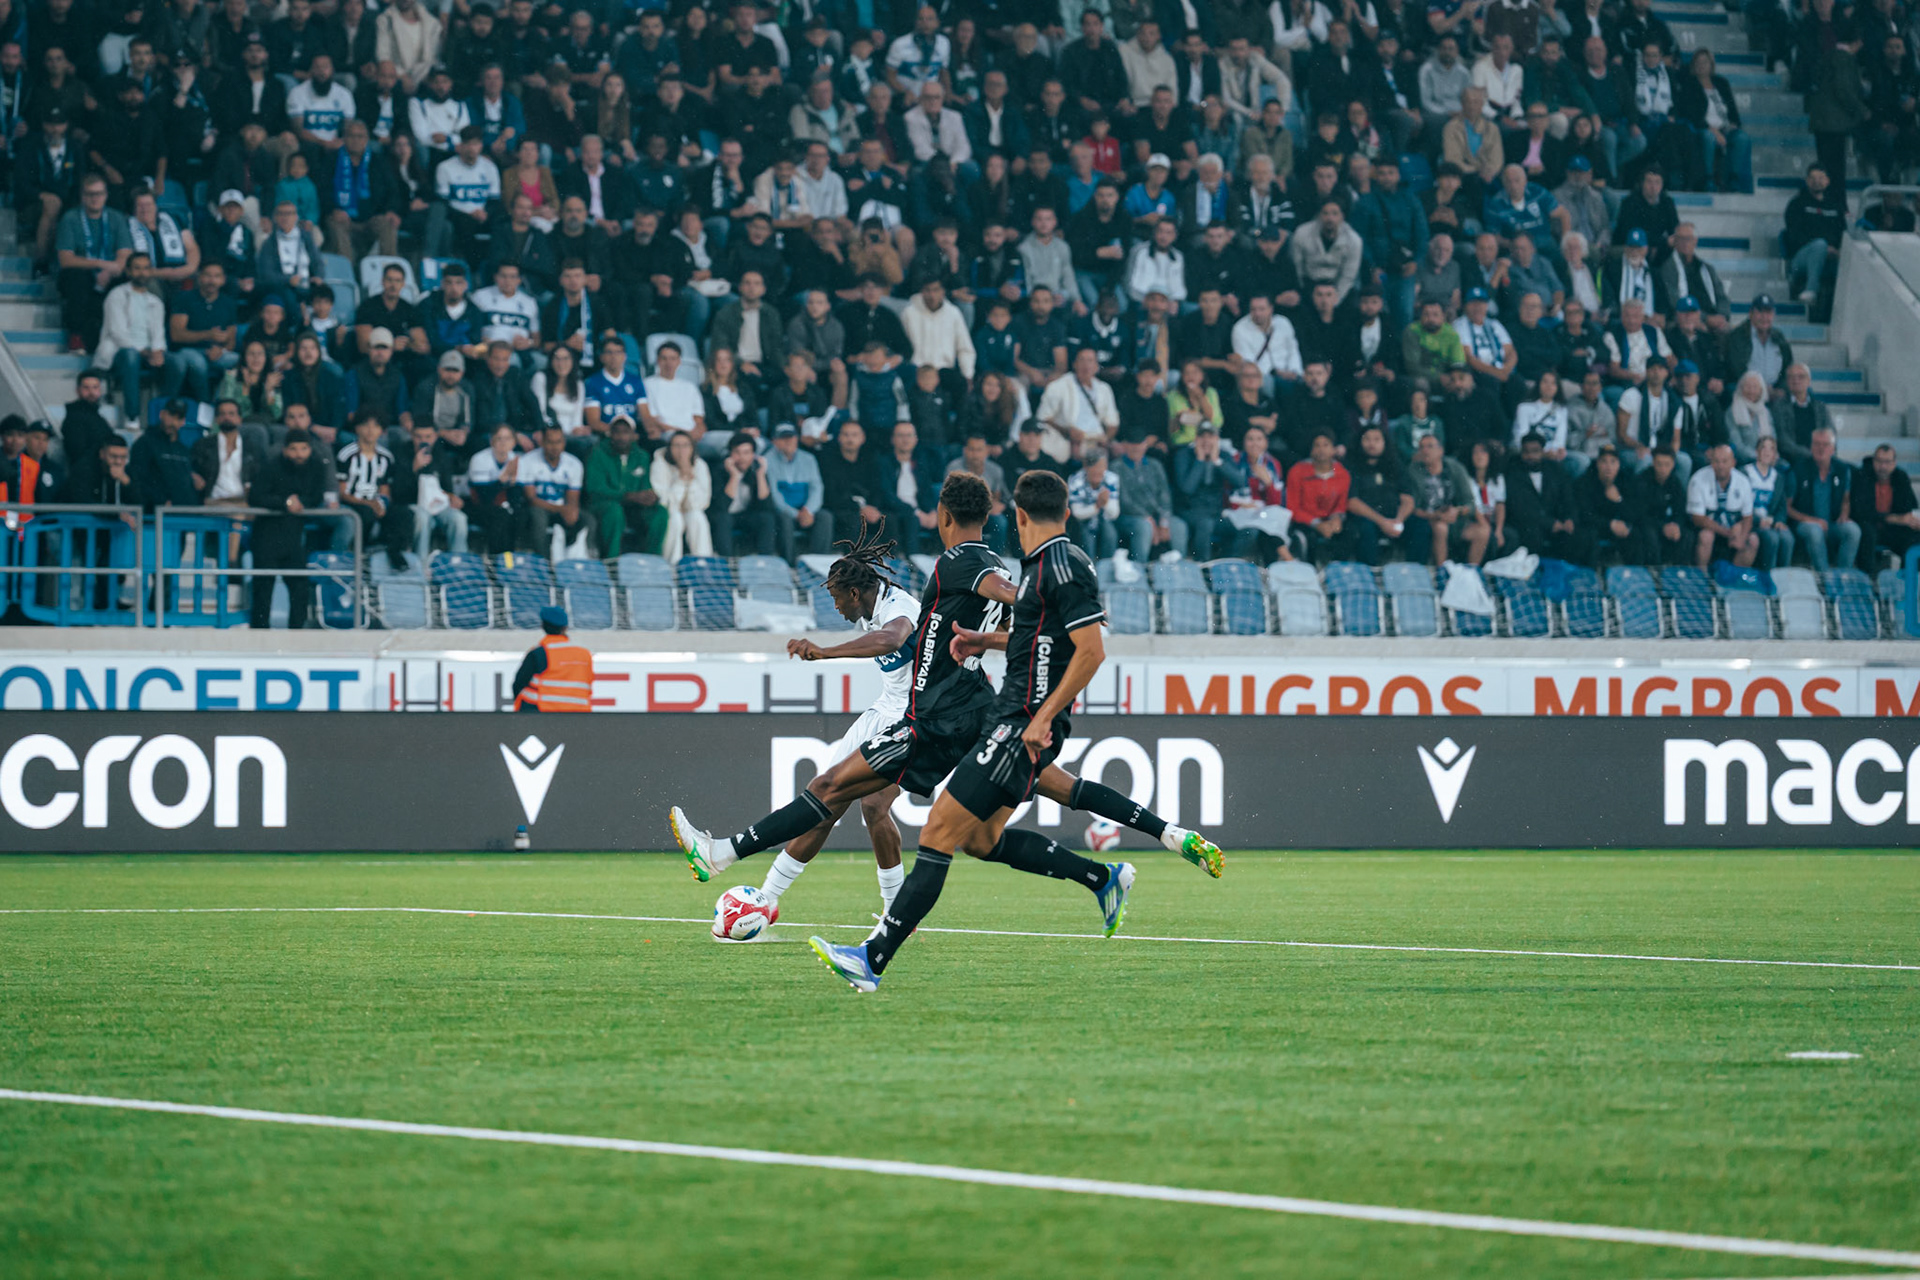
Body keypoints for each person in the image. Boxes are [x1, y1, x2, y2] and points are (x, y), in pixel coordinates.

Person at [804, 469, 1224, 992]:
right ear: (1064, 511)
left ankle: (871, 960)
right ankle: (1118, 868)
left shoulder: (1045, 565)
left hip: (1021, 719)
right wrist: (986, 641)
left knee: (939, 832)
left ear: (1019, 516)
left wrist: (1042, 716)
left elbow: (1087, 648)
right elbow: (1038, 632)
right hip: (1010, 713)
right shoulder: (1047, 564)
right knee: (986, 835)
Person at [247, 428, 331, 629]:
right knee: (263, 590)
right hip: (266, 537)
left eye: (303, 449)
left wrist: (300, 502)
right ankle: (259, 636)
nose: (299, 454)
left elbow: (316, 496)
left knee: (299, 588)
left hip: (293, 538)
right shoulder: (271, 467)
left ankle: (297, 635)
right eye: (293, 449)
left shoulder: (316, 467)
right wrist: (285, 502)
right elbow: (255, 497)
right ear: (285, 450)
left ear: (310, 449)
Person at [583, 414, 661, 558]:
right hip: (604, 505)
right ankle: (611, 561)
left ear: (634, 435)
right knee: (614, 511)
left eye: (626, 432)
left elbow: (645, 485)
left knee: (659, 512)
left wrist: (650, 497)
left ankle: (653, 560)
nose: (621, 437)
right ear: (610, 434)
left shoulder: (641, 456)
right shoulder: (597, 453)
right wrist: (627, 496)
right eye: (617, 432)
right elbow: (595, 490)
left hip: (633, 506)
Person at [1405, 432, 1489, 565]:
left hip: (1455, 520)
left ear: (1441, 450)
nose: (1425, 450)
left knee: (1483, 531)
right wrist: (1435, 516)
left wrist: (1457, 511)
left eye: (1430, 446)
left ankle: (1471, 570)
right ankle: (1441, 570)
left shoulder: (1455, 468)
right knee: (1440, 527)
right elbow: (1412, 507)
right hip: (1428, 519)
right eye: (1421, 447)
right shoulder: (1414, 471)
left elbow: (1470, 503)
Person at [520, 421, 590, 557]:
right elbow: (531, 499)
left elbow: (573, 498)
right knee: (538, 517)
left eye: (558, 442)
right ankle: (543, 562)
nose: (555, 447)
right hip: (540, 509)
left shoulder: (574, 464)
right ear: (542, 442)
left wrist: (571, 511)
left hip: (561, 510)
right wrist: (561, 509)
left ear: (564, 442)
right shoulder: (528, 461)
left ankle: (579, 561)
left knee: (588, 520)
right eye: (550, 442)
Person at [1686, 443, 1757, 569]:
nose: (1720, 466)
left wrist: (1741, 537)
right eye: (1716, 461)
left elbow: (1748, 516)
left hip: (1733, 529)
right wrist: (1726, 533)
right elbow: (1698, 518)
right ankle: (1703, 575)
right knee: (1706, 536)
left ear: (1733, 462)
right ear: (1711, 462)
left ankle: (1734, 576)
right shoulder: (1698, 479)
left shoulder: (1743, 481)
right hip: (1711, 529)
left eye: (1725, 461)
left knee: (1753, 540)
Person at [510, 605, 593, 712]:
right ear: (565, 627)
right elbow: (588, 683)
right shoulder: (584, 654)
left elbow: (519, 683)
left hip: (541, 712)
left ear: (543, 626)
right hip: (579, 713)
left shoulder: (539, 653)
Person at [1853, 442, 1920, 570]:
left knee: (1915, 537)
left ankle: (1907, 576)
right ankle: (1868, 577)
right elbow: (1861, 512)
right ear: (1873, 461)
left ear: (1894, 463)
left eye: (1887, 462)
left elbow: (1910, 507)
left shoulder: (1901, 477)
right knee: (1868, 533)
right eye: (1879, 461)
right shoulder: (1862, 476)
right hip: (1869, 527)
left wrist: (1912, 521)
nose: (1883, 466)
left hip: (1893, 530)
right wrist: (1892, 518)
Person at [650, 429, 711, 562]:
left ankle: (702, 563)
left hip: (690, 510)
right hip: (670, 512)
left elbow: (701, 503)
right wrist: (682, 478)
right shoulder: (659, 464)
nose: (681, 450)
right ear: (669, 448)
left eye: (685, 445)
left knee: (697, 517)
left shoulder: (700, 465)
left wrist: (689, 475)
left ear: (692, 448)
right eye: (676, 445)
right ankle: (672, 564)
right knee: (675, 518)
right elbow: (665, 502)